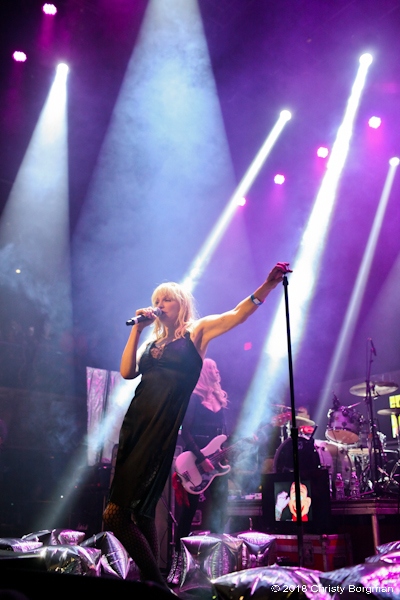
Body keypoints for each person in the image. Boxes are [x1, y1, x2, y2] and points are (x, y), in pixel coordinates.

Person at [102, 262, 291, 591]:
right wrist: (137, 330)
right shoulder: (151, 343)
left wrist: (268, 285)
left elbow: (236, 315)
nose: (159, 305)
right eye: (156, 300)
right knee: (142, 513)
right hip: (135, 426)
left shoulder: (196, 332)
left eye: (167, 300)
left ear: (181, 305)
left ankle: (156, 584)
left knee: (115, 515)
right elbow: (127, 372)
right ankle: (155, 583)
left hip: (160, 429)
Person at [167, 358, 229, 585]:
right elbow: (185, 431)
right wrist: (201, 458)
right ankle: (178, 566)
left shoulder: (220, 399)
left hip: (216, 464)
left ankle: (216, 566)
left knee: (220, 510)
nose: (217, 370)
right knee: (187, 513)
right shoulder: (193, 398)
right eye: (213, 367)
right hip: (195, 461)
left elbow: (224, 435)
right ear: (203, 372)